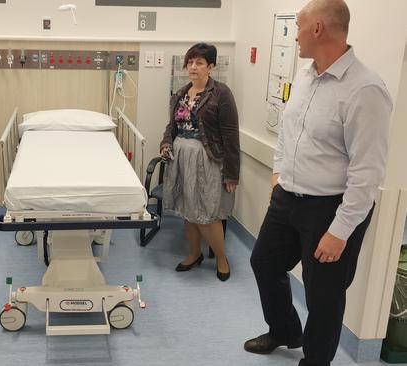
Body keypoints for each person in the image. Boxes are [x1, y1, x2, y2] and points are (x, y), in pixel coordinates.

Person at [244, 1, 393, 365]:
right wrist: (279, 174)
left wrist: (340, 230)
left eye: (298, 25)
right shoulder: (307, 75)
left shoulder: (365, 90)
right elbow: (288, 129)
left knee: (324, 296)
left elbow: (368, 172)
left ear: (318, 29)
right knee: (264, 263)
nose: (294, 34)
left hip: (330, 208)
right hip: (288, 198)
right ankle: (285, 330)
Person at [159, 43, 240, 281]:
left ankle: (222, 259)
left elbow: (231, 136)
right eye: (190, 62)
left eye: (199, 63)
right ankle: (194, 254)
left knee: (207, 214)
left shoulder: (221, 94)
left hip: (208, 160)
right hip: (181, 158)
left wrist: (232, 175)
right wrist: (166, 144)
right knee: (188, 211)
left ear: (211, 66)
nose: (193, 67)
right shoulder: (181, 93)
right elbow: (171, 127)